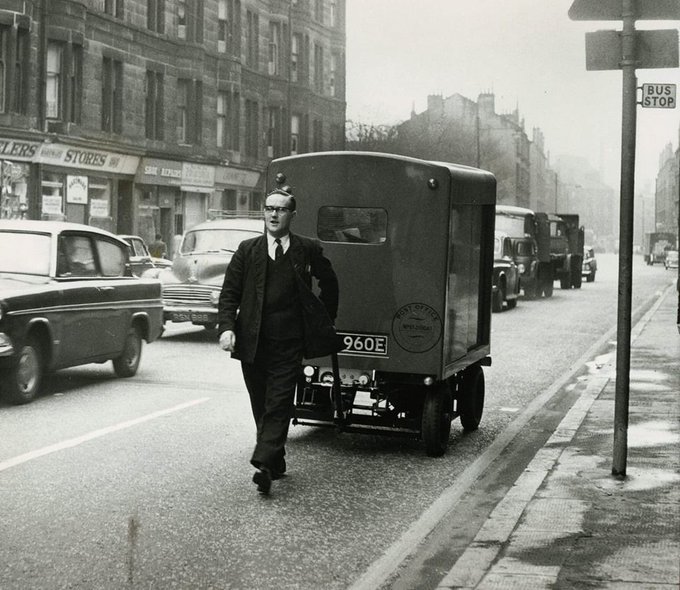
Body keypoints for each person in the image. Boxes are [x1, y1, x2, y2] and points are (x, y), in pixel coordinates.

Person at [217, 188, 341, 495]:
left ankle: (263, 465)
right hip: (253, 342)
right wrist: (226, 327)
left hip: (290, 342)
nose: (274, 214)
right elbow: (229, 293)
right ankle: (276, 457)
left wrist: (321, 318)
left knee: (279, 403)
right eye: (269, 208)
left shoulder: (307, 249)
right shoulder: (248, 250)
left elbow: (330, 282)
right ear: (263, 212)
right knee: (260, 403)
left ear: (292, 215)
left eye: (281, 210)